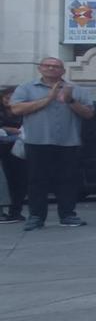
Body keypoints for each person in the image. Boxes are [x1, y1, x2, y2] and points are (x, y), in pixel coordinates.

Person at [9, 57, 94, 230]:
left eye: (56, 67)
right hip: (37, 141)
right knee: (36, 180)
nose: (51, 69)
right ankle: (36, 216)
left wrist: (70, 100)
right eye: (47, 66)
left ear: (63, 71)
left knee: (67, 180)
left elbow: (88, 114)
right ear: (40, 69)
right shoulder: (26, 88)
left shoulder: (76, 89)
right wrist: (48, 98)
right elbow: (16, 109)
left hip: (68, 141)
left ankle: (68, 214)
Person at [0, 86, 28, 223]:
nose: (8, 101)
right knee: (6, 181)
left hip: (19, 149)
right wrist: (7, 129)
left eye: (11, 98)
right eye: (6, 97)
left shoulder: (23, 110)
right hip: (4, 149)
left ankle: (15, 211)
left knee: (19, 181)